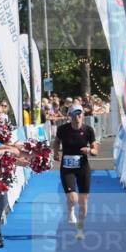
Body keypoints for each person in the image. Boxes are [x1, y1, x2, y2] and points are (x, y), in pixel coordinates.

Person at [53, 102, 98, 240]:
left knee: (83, 202)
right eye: (74, 114)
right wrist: (55, 152)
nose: (77, 117)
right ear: (70, 116)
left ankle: (80, 229)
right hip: (67, 168)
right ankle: (70, 209)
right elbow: (56, 141)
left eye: (79, 114)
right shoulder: (62, 129)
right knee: (73, 198)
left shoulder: (88, 130)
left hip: (83, 167)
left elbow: (95, 150)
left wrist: (90, 150)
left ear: (83, 115)